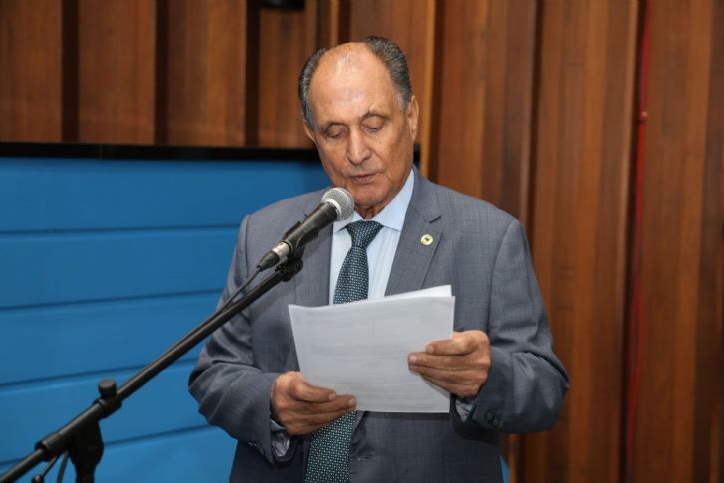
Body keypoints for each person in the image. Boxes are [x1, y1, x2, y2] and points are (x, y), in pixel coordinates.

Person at [189, 36, 568, 482]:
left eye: (373, 125)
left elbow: (544, 390)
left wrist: (484, 377)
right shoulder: (268, 233)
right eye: (334, 132)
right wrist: (272, 401)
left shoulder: (489, 236)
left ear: (411, 117)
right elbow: (214, 374)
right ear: (311, 135)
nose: (356, 152)